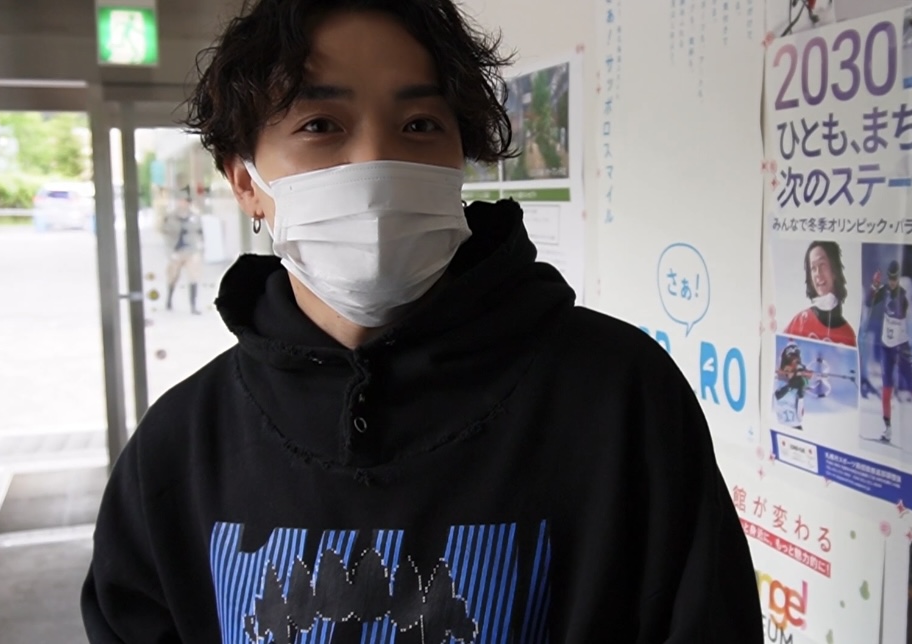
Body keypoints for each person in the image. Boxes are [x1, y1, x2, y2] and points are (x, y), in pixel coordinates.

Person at [79, 1, 761, 641]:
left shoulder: (620, 398)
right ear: (244, 181)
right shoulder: (180, 449)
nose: (377, 160)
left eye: (419, 126)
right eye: (320, 126)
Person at [866, 260, 912, 444]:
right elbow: (869, 302)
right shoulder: (885, 289)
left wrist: (885, 293)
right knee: (886, 390)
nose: (892, 282)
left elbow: (897, 309)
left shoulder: (902, 294)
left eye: (895, 279)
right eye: (890, 279)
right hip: (886, 348)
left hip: (902, 349)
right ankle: (887, 430)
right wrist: (874, 286)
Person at [784, 240, 857, 347]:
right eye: (813, 268)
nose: (818, 273)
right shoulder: (800, 321)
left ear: (834, 270)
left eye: (822, 265)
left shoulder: (848, 334)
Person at [162, 186, 205, 315]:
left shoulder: (195, 216)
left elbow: (200, 231)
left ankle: (193, 305)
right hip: (176, 250)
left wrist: (200, 247)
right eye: (180, 201)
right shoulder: (171, 216)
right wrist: (170, 252)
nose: (183, 203)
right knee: (172, 276)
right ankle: (169, 299)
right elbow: (165, 232)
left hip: (191, 250)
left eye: (185, 201)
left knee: (193, 276)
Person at [774, 341, 812, 429]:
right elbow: (800, 398)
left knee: (789, 371)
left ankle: (789, 355)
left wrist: (793, 387)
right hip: (791, 388)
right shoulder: (798, 420)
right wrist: (798, 388)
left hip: (786, 387)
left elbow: (778, 396)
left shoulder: (783, 421)